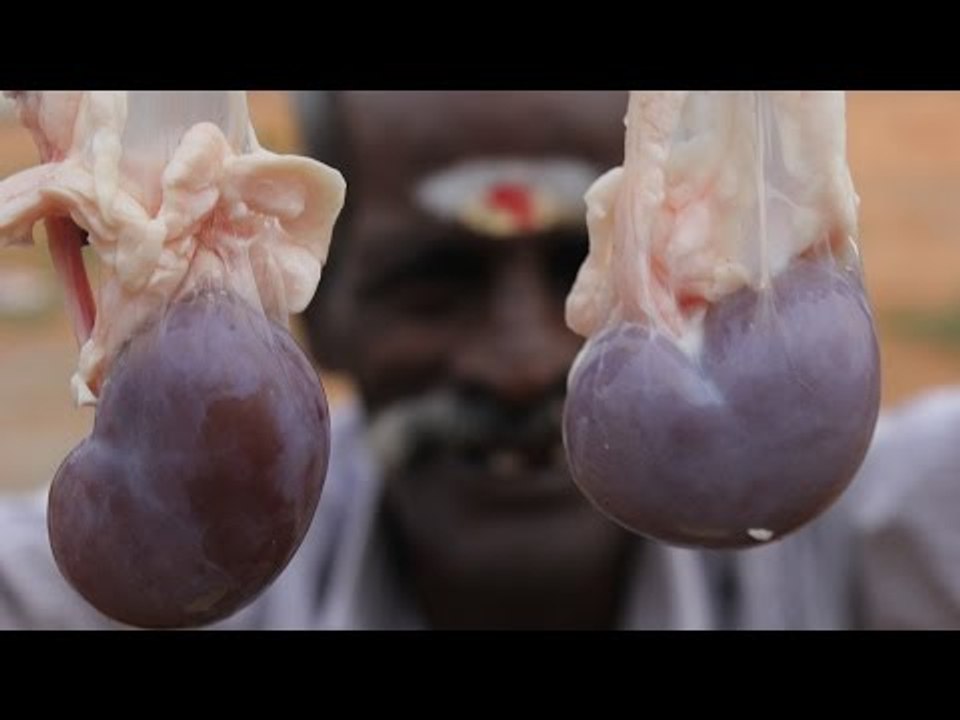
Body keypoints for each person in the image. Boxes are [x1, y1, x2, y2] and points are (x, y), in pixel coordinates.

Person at [0, 91, 957, 630]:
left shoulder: (870, 554)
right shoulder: (163, 554)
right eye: (435, 280)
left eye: (583, 265)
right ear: (320, 309)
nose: (522, 364)